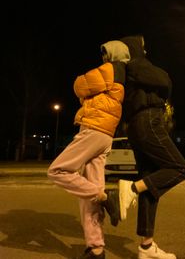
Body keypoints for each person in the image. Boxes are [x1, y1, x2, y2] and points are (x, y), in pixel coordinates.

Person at [47, 40, 130, 259]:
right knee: (88, 194)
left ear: (112, 54)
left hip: (94, 129)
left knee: (57, 170)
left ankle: (106, 197)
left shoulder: (111, 68)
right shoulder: (123, 75)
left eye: (105, 53)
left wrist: (84, 91)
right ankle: (96, 248)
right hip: (106, 135)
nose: (102, 57)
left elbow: (80, 85)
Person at [117, 35, 185, 259]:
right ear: (135, 49)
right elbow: (165, 80)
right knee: (180, 169)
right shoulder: (137, 64)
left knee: (149, 182)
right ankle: (129, 189)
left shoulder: (127, 71)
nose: (146, 51)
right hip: (148, 120)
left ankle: (146, 247)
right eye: (143, 47)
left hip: (136, 125)